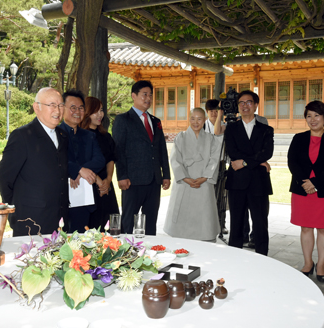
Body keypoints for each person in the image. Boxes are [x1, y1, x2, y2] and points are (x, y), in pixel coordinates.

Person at [0, 87, 69, 236]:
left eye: (61, 105)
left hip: (60, 218)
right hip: (30, 219)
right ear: (37, 107)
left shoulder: (63, 135)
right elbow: (4, 176)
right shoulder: (22, 136)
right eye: (52, 105)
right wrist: (14, 207)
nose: (58, 110)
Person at [113, 80, 171, 235]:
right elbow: (118, 150)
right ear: (134, 96)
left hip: (154, 180)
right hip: (132, 181)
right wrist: (122, 176)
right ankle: (125, 254)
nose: (148, 98)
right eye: (144, 94)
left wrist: (166, 175)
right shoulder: (123, 120)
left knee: (150, 222)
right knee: (128, 223)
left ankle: (150, 255)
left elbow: (161, 150)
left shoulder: (155, 121)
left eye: (151, 95)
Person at [215, 91, 271, 248]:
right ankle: (235, 261)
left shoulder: (266, 129)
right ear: (238, 106)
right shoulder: (232, 129)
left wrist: (245, 162)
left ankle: (262, 259)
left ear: (255, 105)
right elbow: (232, 152)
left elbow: (267, 153)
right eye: (241, 103)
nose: (245, 105)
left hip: (259, 182)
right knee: (236, 224)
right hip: (237, 182)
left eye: (249, 102)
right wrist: (256, 160)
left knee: (260, 225)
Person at [287, 100, 324, 282]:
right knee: (305, 228)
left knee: (323, 229)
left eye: (317, 115)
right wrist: (304, 182)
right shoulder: (299, 138)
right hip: (302, 190)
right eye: (309, 116)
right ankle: (308, 262)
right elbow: (293, 162)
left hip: (323, 191)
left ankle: (321, 264)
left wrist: (314, 183)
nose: (313, 119)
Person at [163, 108, 221, 241]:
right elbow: (175, 160)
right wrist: (186, 178)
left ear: (204, 120)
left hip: (204, 183)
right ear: (189, 119)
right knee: (183, 222)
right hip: (185, 183)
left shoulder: (211, 139)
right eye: (193, 118)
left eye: (199, 119)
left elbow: (214, 160)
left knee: (204, 219)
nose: (196, 122)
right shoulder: (180, 137)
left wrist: (205, 177)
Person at [59, 90, 105, 233]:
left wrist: (80, 171)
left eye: (81, 108)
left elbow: (100, 160)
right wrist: (78, 170)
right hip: (60, 198)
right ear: (62, 108)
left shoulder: (89, 135)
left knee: (81, 240)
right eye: (73, 107)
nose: (77, 111)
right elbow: (55, 160)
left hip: (83, 198)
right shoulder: (55, 133)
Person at [80, 96, 120, 230]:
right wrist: (99, 182)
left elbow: (110, 159)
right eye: (95, 111)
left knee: (112, 225)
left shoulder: (105, 136)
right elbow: (82, 162)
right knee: (92, 228)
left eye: (101, 110)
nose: (100, 114)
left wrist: (108, 179)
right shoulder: (80, 135)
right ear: (86, 112)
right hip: (88, 186)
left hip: (107, 187)